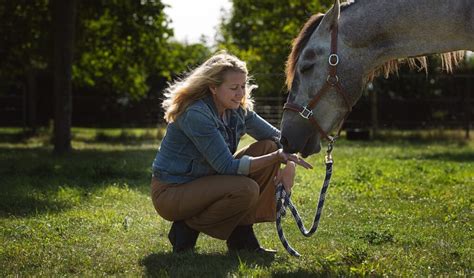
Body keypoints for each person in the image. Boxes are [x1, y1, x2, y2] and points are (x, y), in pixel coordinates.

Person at [151, 51, 311, 254]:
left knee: (268, 146)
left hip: (208, 181)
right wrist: (278, 157)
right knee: (246, 188)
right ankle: (186, 228)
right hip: (172, 192)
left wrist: (289, 164)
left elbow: (278, 138)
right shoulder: (196, 114)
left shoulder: (237, 109)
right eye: (234, 88)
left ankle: (241, 239)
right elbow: (226, 167)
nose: (241, 93)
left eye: (243, 86)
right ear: (213, 88)